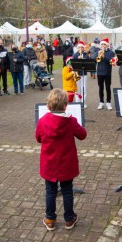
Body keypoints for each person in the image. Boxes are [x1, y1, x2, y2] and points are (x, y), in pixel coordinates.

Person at [35, 88, 87, 231]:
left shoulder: (42, 121)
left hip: (49, 163)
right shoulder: (71, 121)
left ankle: (50, 219)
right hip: (66, 163)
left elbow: (38, 138)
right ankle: (69, 219)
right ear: (66, 105)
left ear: (48, 106)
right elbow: (83, 135)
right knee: (67, 190)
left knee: (50, 191)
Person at [96, 38, 115, 110]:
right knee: (101, 88)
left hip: (107, 73)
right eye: (102, 44)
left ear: (107, 45)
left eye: (104, 44)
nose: (103, 45)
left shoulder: (111, 52)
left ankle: (108, 102)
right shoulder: (99, 51)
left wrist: (104, 56)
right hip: (99, 73)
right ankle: (101, 102)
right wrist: (98, 55)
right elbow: (96, 60)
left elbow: (112, 62)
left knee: (108, 88)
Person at [72, 41, 89, 108]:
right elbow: (72, 64)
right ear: (77, 48)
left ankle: (83, 102)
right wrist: (77, 59)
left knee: (83, 88)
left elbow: (88, 63)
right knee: (77, 89)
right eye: (79, 47)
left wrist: (83, 60)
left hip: (84, 73)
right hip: (76, 73)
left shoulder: (85, 55)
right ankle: (77, 101)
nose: (80, 48)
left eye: (82, 47)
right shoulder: (75, 55)